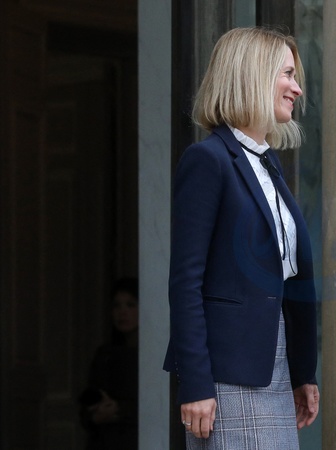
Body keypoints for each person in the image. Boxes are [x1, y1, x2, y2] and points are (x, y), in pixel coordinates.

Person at [162, 27, 320, 449]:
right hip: (229, 376)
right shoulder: (208, 159)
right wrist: (196, 382)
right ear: (253, 75)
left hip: (276, 367)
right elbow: (186, 282)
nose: (297, 89)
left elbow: (287, 280)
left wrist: (303, 373)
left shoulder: (268, 164)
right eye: (287, 74)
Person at [79, 277, 139, 450]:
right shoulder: (104, 354)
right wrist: (94, 416)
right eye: (116, 306)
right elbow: (87, 404)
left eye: (130, 305)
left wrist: (119, 409)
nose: (122, 312)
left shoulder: (153, 356)